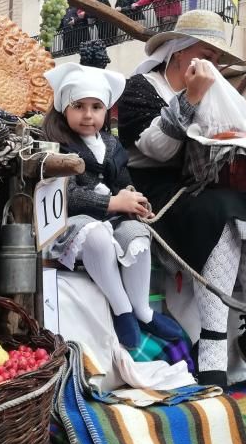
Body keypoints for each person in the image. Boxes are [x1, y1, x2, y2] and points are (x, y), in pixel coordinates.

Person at [116, 9, 246, 398]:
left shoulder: (218, 91)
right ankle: (210, 346)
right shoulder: (139, 88)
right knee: (222, 212)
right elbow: (154, 150)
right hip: (156, 194)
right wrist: (191, 97)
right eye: (204, 53)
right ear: (178, 52)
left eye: (216, 57)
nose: (211, 63)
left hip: (205, 187)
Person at [42, 63, 182, 349]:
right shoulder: (55, 145)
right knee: (97, 237)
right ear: (64, 109)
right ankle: (123, 310)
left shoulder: (111, 145)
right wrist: (112, 202)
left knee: (137, 236)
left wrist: (133, 199)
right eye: (79, 106)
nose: (88, 115)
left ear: (106, 111)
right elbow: (66, 195)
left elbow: (123, 181)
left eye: (96, 107)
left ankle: (142, 309)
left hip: (113, 216)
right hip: (73, 221)